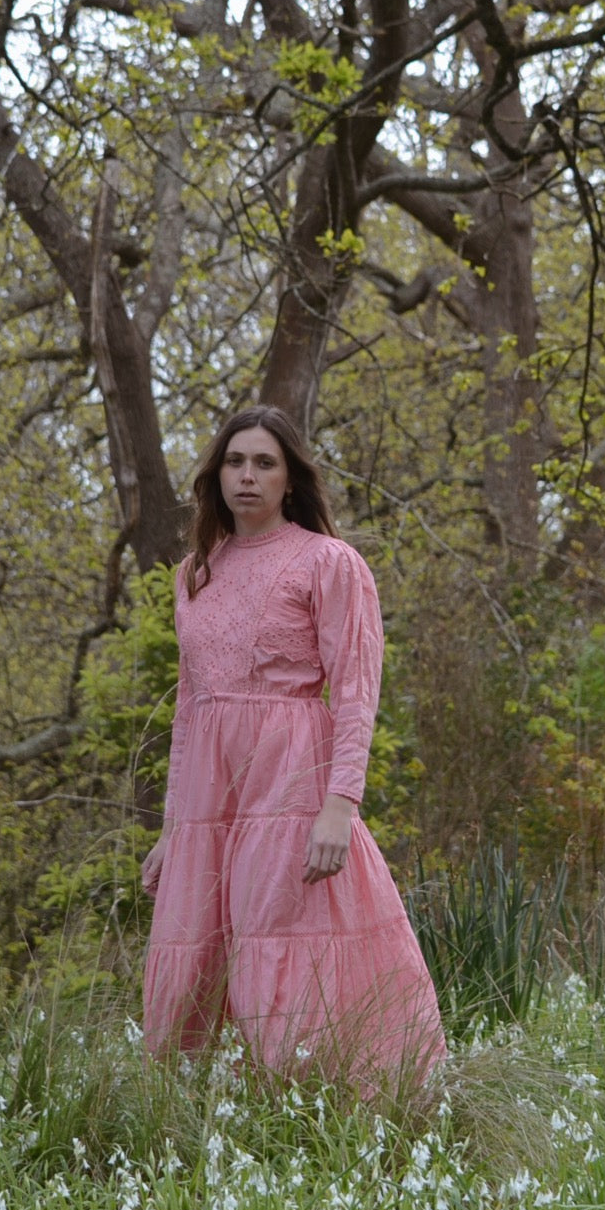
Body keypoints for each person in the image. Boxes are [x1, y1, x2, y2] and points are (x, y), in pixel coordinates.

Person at [141, 406, 446, 1093]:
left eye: (264, 463)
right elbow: (190, 713)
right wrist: (172, 829)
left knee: (280, 940)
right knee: (196, 946)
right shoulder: (193, 575)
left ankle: (307, 1099)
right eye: (235, 462)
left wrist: (340, 804)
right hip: (208, 799)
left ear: (289, 478)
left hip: (291, 780)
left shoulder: (327, 562)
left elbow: (356, 689)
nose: (247, 476)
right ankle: (191, 1108)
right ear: (216, 475)